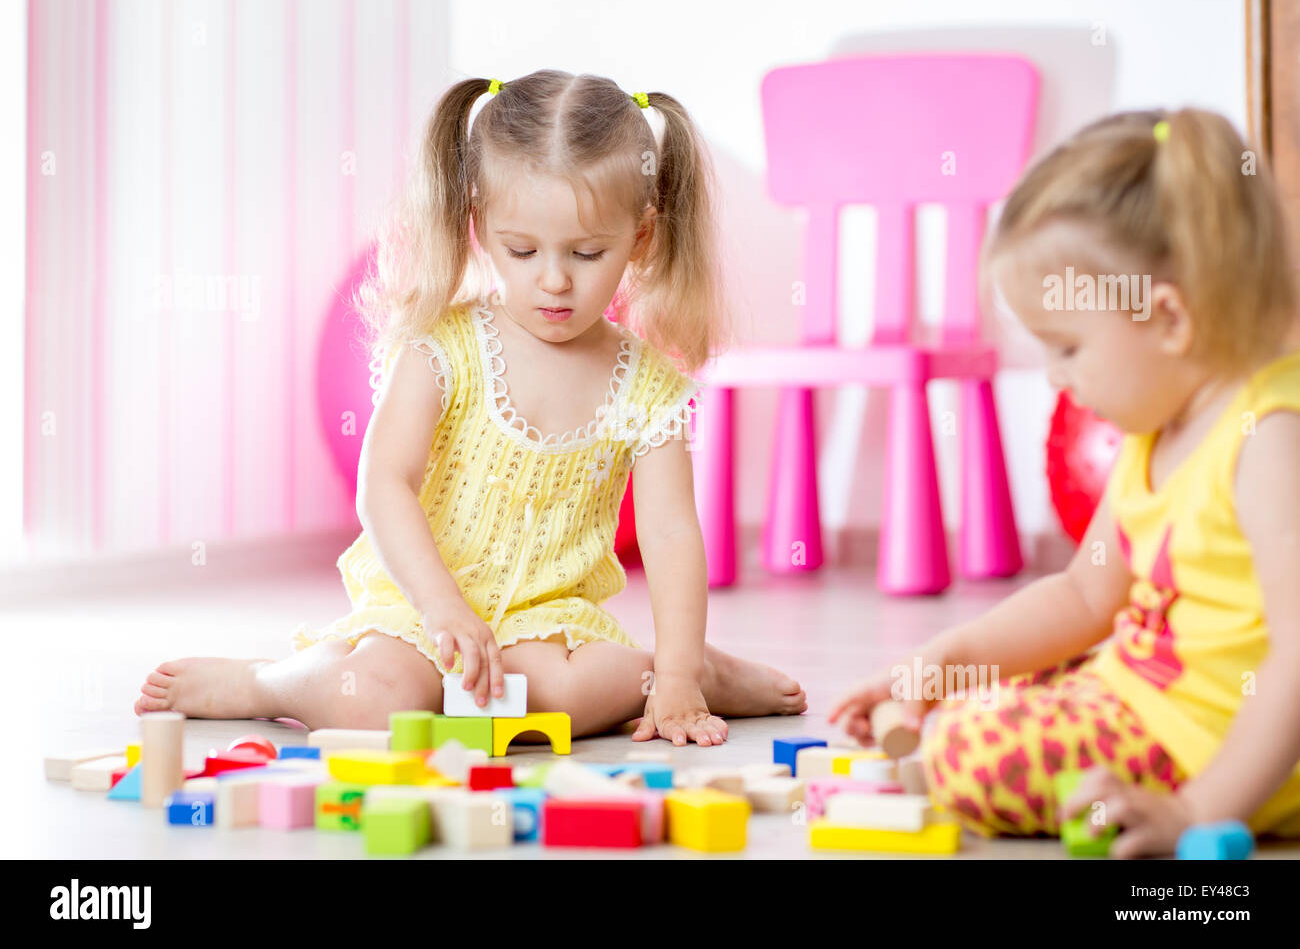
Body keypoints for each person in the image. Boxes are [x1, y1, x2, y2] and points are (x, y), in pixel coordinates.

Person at [135, 70, 806, 747]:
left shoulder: (648, 386)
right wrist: (442, 609)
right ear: (480, 227)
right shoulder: (443, 348)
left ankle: (689, 671)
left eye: (586, 252)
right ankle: (266, 682)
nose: (553, 278)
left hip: (544, 626)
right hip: (421, 611)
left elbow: (668, 535)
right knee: (377, 699)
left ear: (639, 237)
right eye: (523, 250)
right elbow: (384, 485)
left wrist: (679, 678)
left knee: (566, 696)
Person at [830, 108, 1300, 856]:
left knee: (966, 753)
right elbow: (1086, 595)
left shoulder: (1268, 438)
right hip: (1146, 699)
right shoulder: (1159, 430)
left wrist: (1201, 810)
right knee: (980, 699)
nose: (1057, 380)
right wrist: (943, 663)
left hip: (1223, 753)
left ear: (1169, 320)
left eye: (1068, 348)